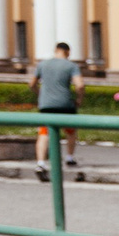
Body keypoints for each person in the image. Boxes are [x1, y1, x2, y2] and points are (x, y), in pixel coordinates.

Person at [30, 41, 81, 181]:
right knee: (71, 131)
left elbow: (32, 84)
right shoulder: (71, 66)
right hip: (65, 104)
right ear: (68, 52)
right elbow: (80, 85)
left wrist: (40, 93)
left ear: (55, 50)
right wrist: (79, 99)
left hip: (46, 105)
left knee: (44, 133)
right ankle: (69, 157)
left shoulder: (42, 64)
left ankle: (40, 163)